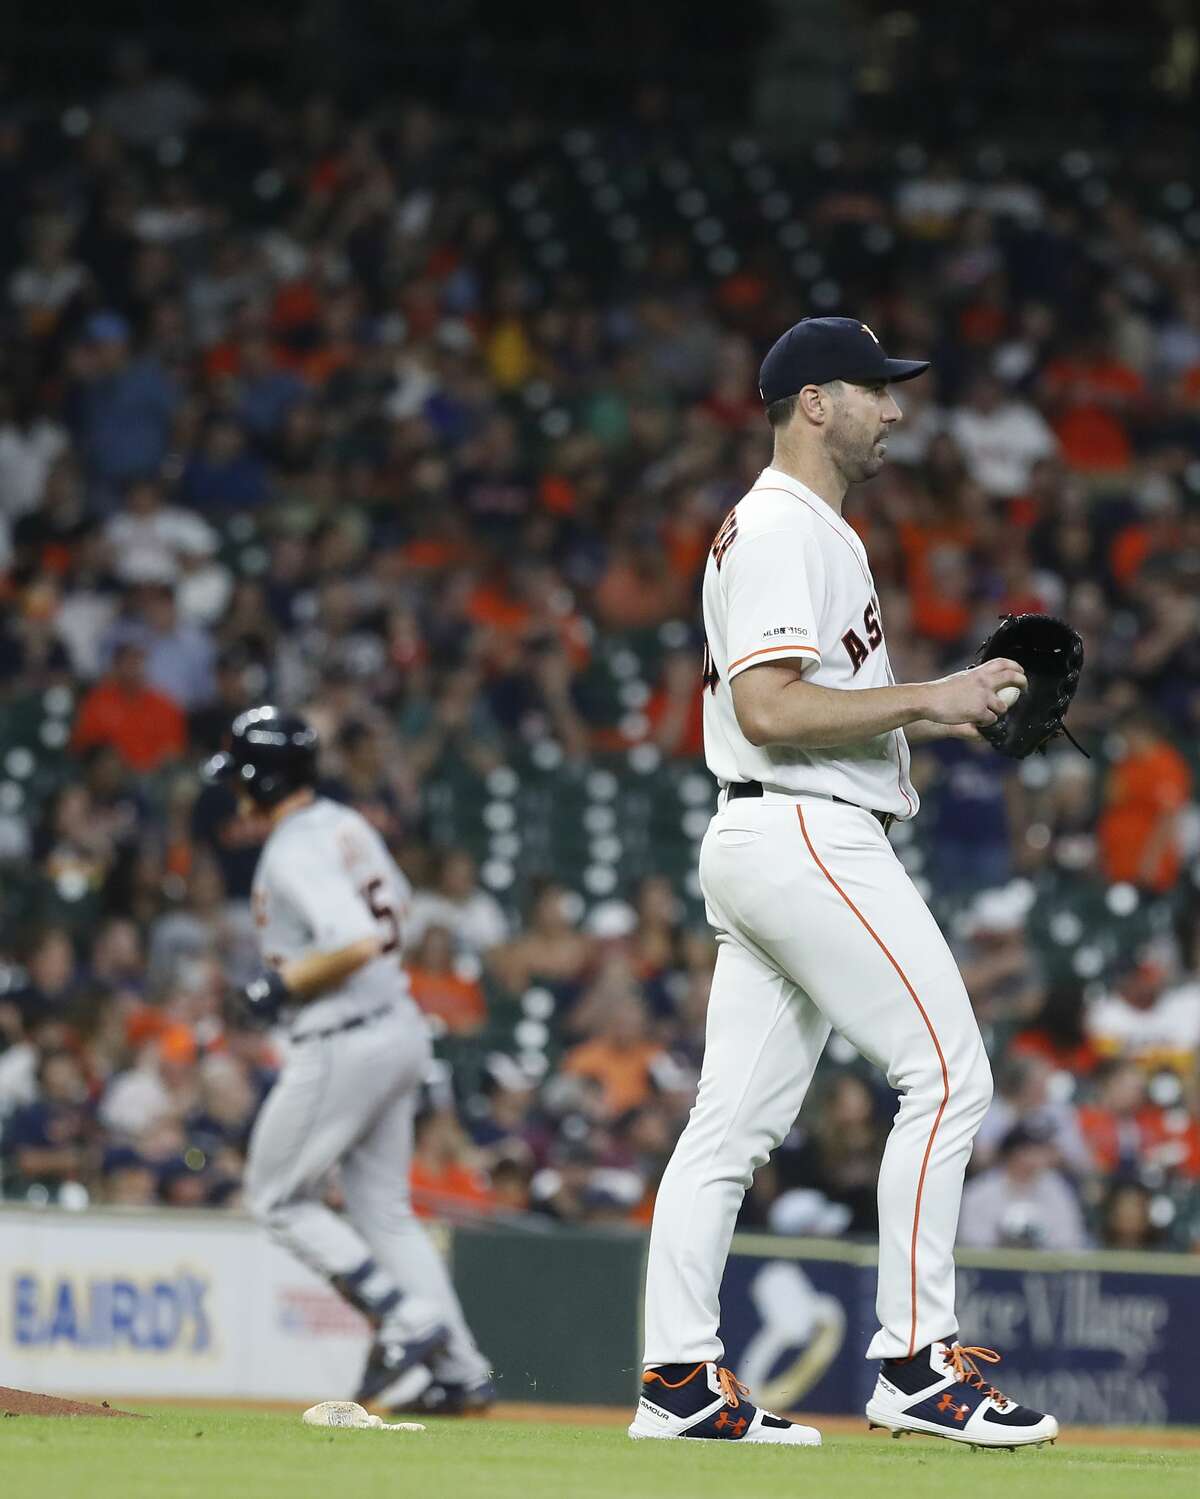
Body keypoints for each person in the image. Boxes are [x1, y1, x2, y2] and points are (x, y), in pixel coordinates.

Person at [631, 318, 1058, 1450]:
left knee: (728, 1126)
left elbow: (807, 709)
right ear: (814, 401)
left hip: (781, 831)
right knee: (950, 1072)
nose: (897, 410)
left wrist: (951, 711)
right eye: (877, 390)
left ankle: (677, 1375)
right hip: (807, 833)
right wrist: (934, 692)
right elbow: (772, 708)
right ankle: (917, 1358)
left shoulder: (798, 528)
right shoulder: (781, 527)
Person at [204, 706, 492, 1415]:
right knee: (384, 1212)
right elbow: (395, 915)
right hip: (395, 1025)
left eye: (241, 774)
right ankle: (458, 1366)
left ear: (261, 778)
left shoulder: (293, 849)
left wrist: (281, 982)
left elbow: (356, 938)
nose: (234, 789)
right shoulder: (347, 823)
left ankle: (405, 1319)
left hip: (344, 1034)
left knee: (274, 1195)